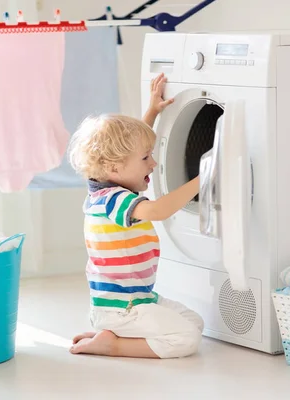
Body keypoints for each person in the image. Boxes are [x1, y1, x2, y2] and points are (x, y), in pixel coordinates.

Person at [67, 73, 204, 359]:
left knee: (194, 323)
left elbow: (128, 154)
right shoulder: (113, 200)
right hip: (123, 308)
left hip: (137, 300)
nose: (153, 163)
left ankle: (109, 334)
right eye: (146, 158)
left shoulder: (106, 186)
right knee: (186, 338)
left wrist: (152, 111)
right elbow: (157, 210)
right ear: (115, 169)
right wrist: (204, 178)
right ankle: (113, 343)